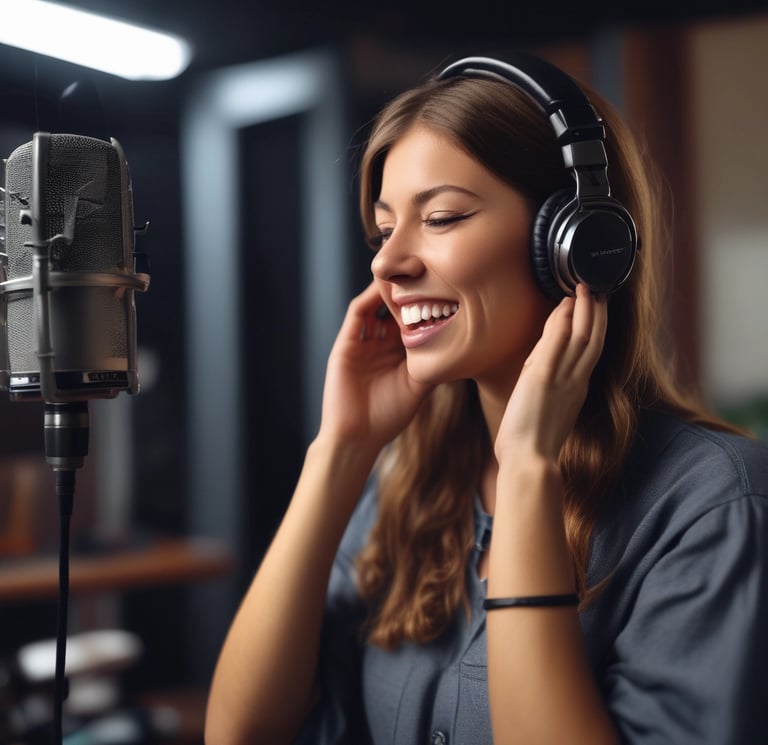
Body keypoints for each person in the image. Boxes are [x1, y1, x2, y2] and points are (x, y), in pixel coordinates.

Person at [204, 52, 768, 745]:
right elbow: (241, 732)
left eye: (440, 217)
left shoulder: (717, 503)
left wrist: (529, 467)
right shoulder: (405, 487)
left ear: (575, 243)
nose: (387, 263)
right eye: (383, 231)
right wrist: (341, 449)